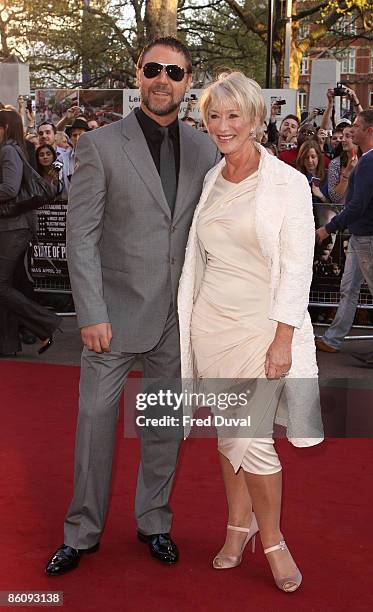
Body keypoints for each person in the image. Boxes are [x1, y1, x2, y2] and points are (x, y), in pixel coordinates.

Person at [45, 36, 220, 576]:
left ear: (188, 82)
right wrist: (91, 311)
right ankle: (82, 531)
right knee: (96, 424)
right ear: (138, 75)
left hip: (177, 317)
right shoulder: (100, 145)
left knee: (164, 425)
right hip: (113, 316)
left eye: (174, 71)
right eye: (153, 69)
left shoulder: (205, 148)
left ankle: (155, 521)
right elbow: (82, 237)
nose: (162, 78)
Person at [178, 72, 323, 592]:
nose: (222, 126)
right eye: (214, 115)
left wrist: (284, 337)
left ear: (257, 120)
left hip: (261, 330)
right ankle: (236, 529)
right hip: (210, 326)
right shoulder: (210, 182)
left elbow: (297, 268)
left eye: (234, 115)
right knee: (230, 435)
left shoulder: (286, 183)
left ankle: (273, 541)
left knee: (252, 440)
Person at [0, 109, 62, 356]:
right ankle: (8, 344)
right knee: (8, 285)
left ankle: (46, 323)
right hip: (13, 227)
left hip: (13, 228)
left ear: (4, 127)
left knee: (2, 287)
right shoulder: (15, 149)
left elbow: (9, 189)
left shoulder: (8, 150)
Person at [315, 109, 373, 363]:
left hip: (367, 237)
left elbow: (357, 204)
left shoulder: (369, 162)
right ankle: (333, 338)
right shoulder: (364, 160)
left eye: (358, 126)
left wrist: (327, 228)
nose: (352, 130)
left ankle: (333, 338)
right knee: (348, 288)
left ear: (369, 130)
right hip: (362, 236)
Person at [327, 125, 359, 204]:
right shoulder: (335, 163)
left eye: (347, 136)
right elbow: (334, 197)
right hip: (342, 210)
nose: (343, 140)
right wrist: (347, 173)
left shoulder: (367, 159)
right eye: (343, 136)